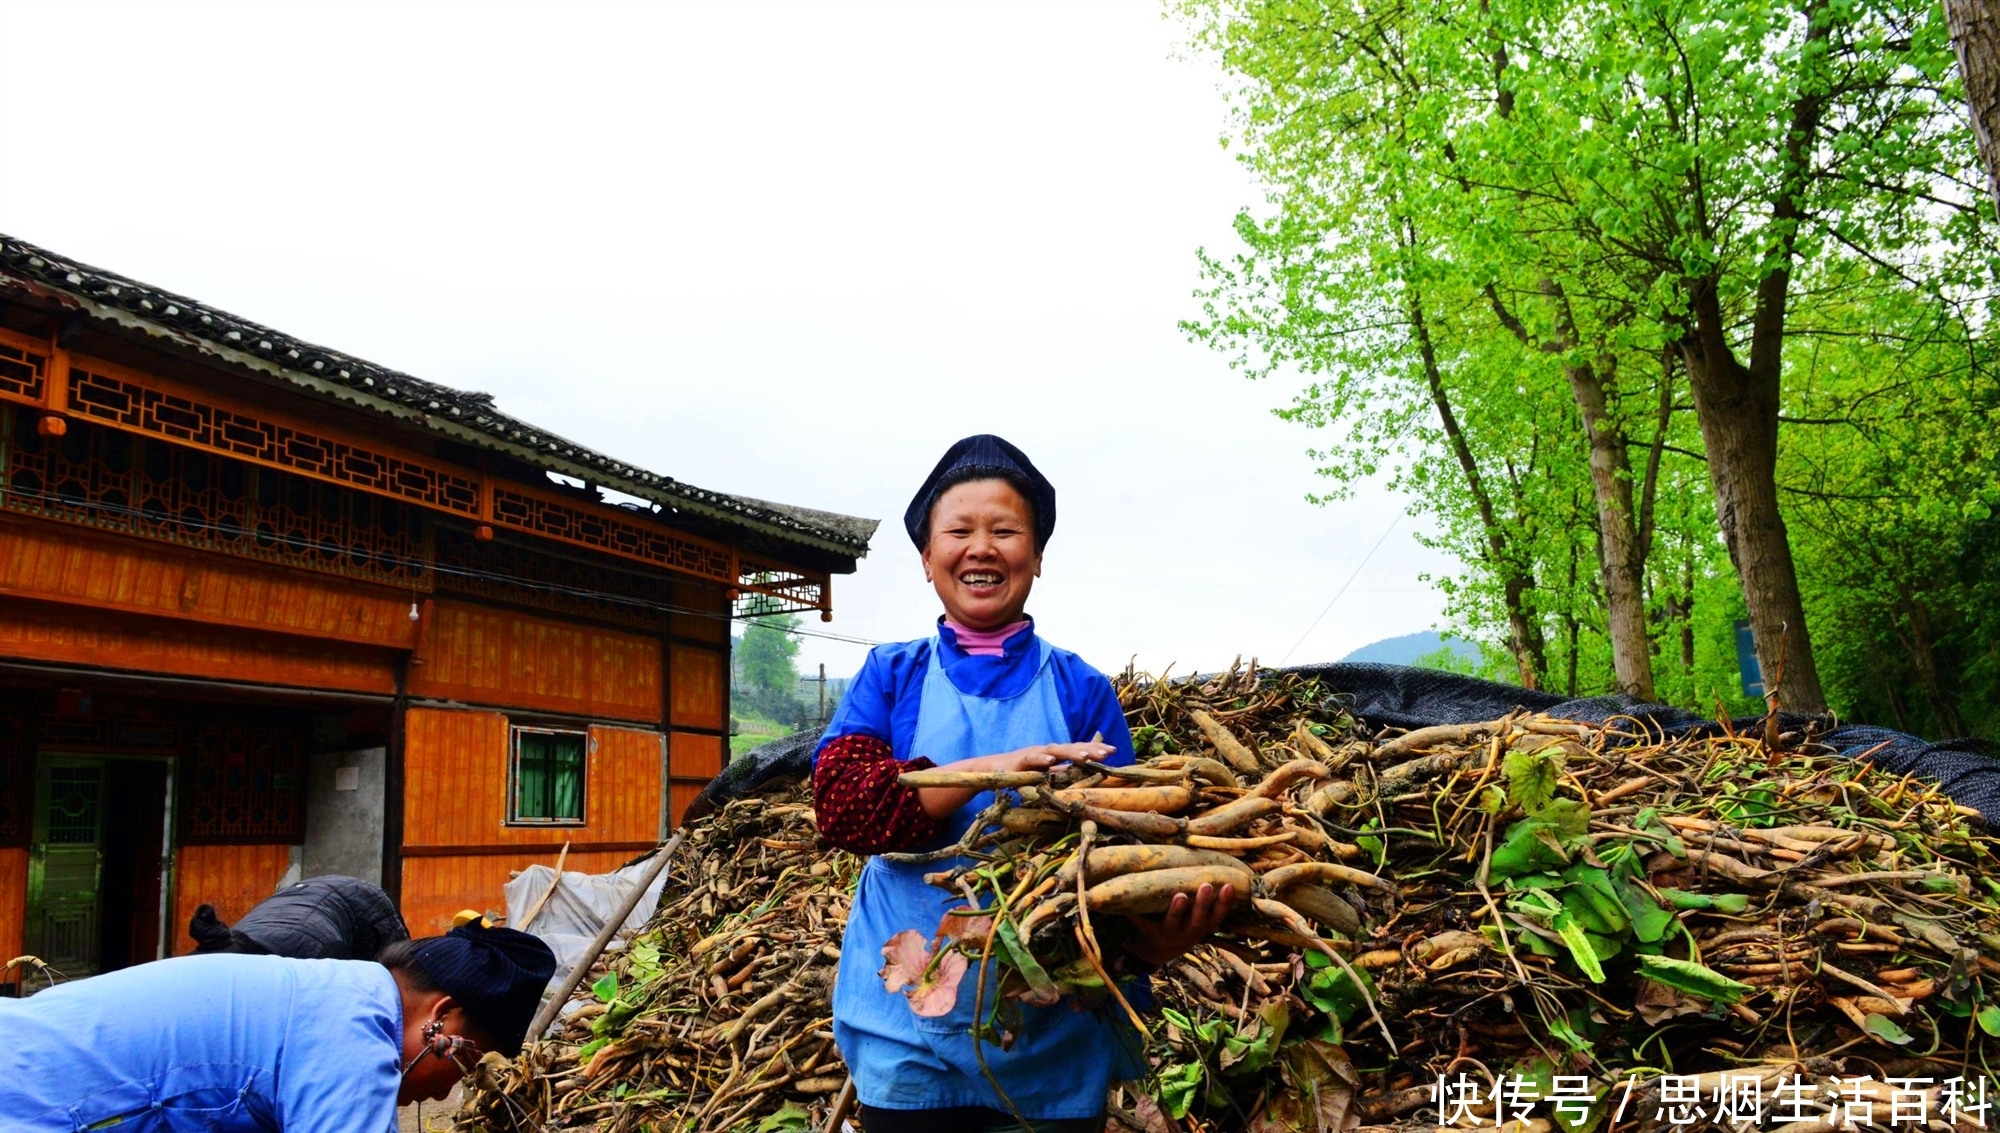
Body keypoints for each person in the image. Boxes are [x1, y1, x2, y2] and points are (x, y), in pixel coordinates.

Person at [813, 435, 1233, 1132]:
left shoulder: (1080, 688)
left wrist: (1152, 941)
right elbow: (842, 808)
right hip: (906, 1045)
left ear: (1037, 557)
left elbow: (1118, 852)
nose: (982, 547)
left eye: (1005, 530)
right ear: (926, 558)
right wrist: (1001, 768)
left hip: (1054, 1043)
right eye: (959, 530)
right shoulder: (893, 675)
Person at [0, 921, 556, 1133]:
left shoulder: (335, 989)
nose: (445, 1089)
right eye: (467, 1062)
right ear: (442, 1017)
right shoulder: (353, 1033)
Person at [188, 873, 409, 959]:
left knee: (395, 979)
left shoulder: (317, 954)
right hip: (297, 904)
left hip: (362, 904)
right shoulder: (228, 946)